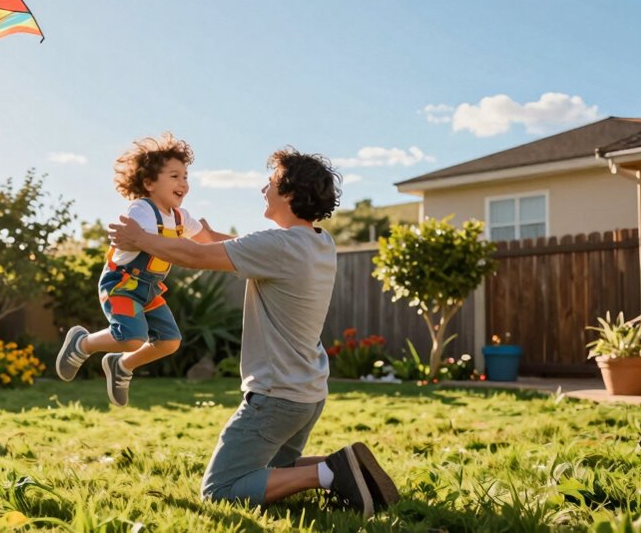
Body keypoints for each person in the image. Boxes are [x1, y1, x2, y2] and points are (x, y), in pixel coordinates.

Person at [107, 147, 399, 516]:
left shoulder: (277, 246)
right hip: (307, 392)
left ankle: (329, 472)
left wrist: (140, 239)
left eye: (272, 183)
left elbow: (195, 257)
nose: (264, 189)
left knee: (221, 490)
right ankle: (348, 466)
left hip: (276, 395)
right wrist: (198, 229)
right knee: (267, 474)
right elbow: (224, 245)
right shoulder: (317, 242)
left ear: (290, 194)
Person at [55, 132, 232, 406]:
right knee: (132, 337)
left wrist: (250, 245)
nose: (183, 183)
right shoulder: (142, 210)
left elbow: (208, 239)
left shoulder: (180, 217)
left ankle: (122, 366)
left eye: (185, 176)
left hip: (148, 290)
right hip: (122, 285)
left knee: (169, 341)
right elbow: (158, 246)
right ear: (149, 182)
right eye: (174, 176)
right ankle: (82, 343)